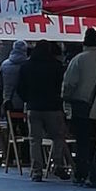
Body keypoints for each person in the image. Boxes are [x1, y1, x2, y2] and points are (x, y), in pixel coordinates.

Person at [62, 28, 96, 187]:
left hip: (80, 106)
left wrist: (66, 97)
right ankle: (94, 172)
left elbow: (69, 84)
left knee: (81, 142)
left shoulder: (79, 59)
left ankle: (84, 173)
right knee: (91, 141)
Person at [17, 40, 70, 182]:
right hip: (53, 107)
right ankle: (57, 164)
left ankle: (37, 171)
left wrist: (28, 99)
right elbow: (62, 87)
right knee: (58, 137)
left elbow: (20, 88)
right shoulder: (57, 66)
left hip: (34, 107)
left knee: (35, 140)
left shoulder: (26, 66)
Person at [0, 40, 29, 113]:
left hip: (8, 101)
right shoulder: (28, 65)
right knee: (22, 123)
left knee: (10, 122)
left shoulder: (4, 64)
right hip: (24, 102)